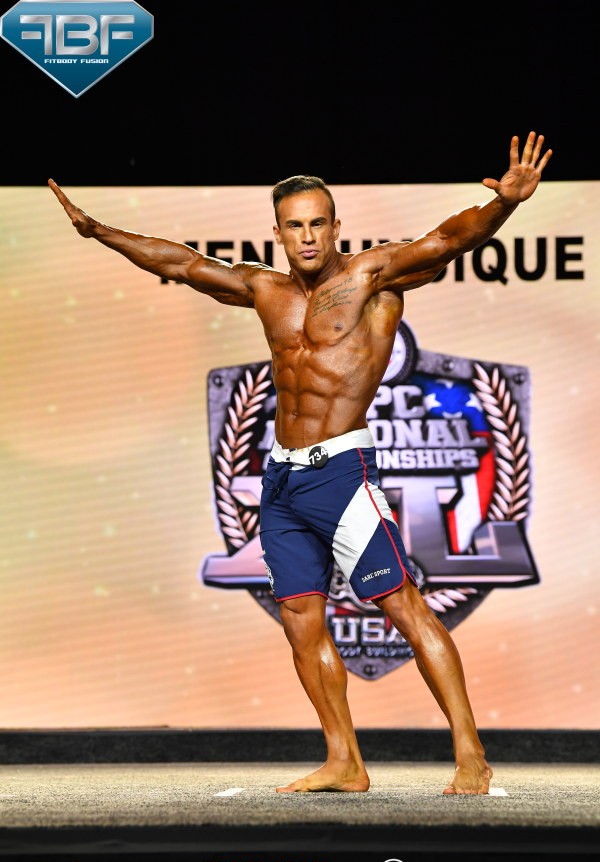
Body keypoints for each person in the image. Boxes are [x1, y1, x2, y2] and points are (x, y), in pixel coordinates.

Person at [49, 131, 552, 795]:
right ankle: (344, 760)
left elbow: (447, 240)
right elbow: (181, 263)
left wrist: (505, 205)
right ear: (279, 233)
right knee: (300, 620)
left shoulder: (372, 276)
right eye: (295, 226)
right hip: (282, 479)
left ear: (336, 226)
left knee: (403, 607)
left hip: (341, 473)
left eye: (318, 224)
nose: (308, 236)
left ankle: (470, 754)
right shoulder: (264, 289)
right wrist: (100, 232)